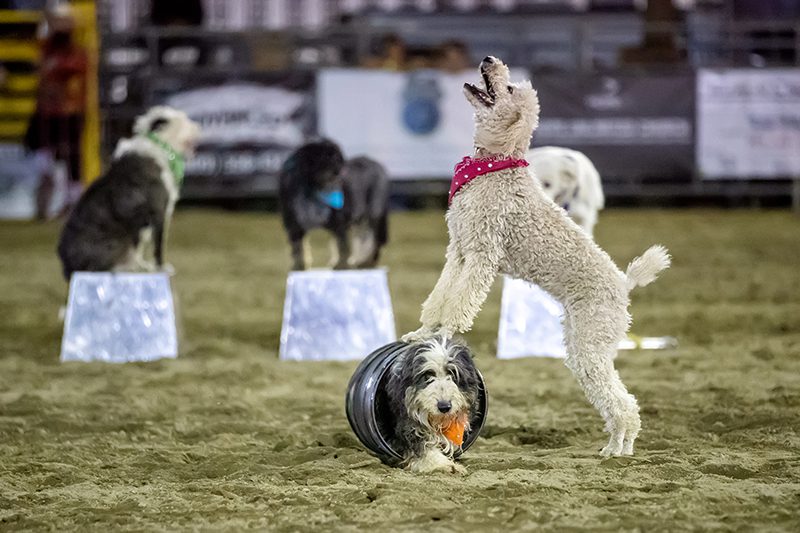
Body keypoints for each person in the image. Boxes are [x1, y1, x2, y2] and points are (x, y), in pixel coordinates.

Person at [26, 4, 87, 219]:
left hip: (68, 112)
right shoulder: (45, 49)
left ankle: (72, 202)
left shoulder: (75, 52)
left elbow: (72, 70)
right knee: (43, 157)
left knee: (71, 158)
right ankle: (47, 202)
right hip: (47, 113)